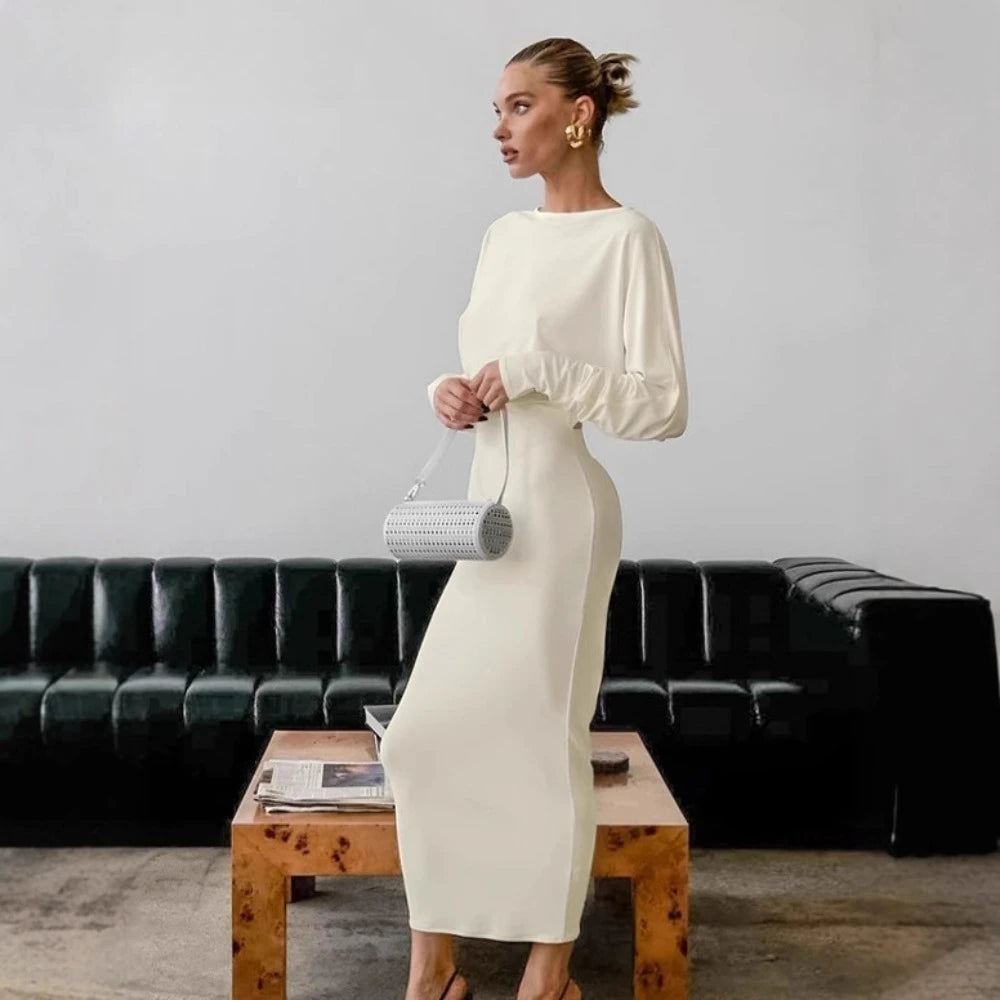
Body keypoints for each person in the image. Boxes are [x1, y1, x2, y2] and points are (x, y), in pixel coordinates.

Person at [378, 36, 689, 1000]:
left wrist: (547, 372)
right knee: (420, 737)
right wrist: (449, 391)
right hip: (490, 511)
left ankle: (546, 973)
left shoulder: (627, 239)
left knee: (543, 738)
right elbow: (485, 359)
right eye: (498, 111)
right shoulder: (504, 238)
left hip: (564, 513)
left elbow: (664, 405)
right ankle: (436, 970)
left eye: (520, 107)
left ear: (578, 115)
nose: (501, 128)